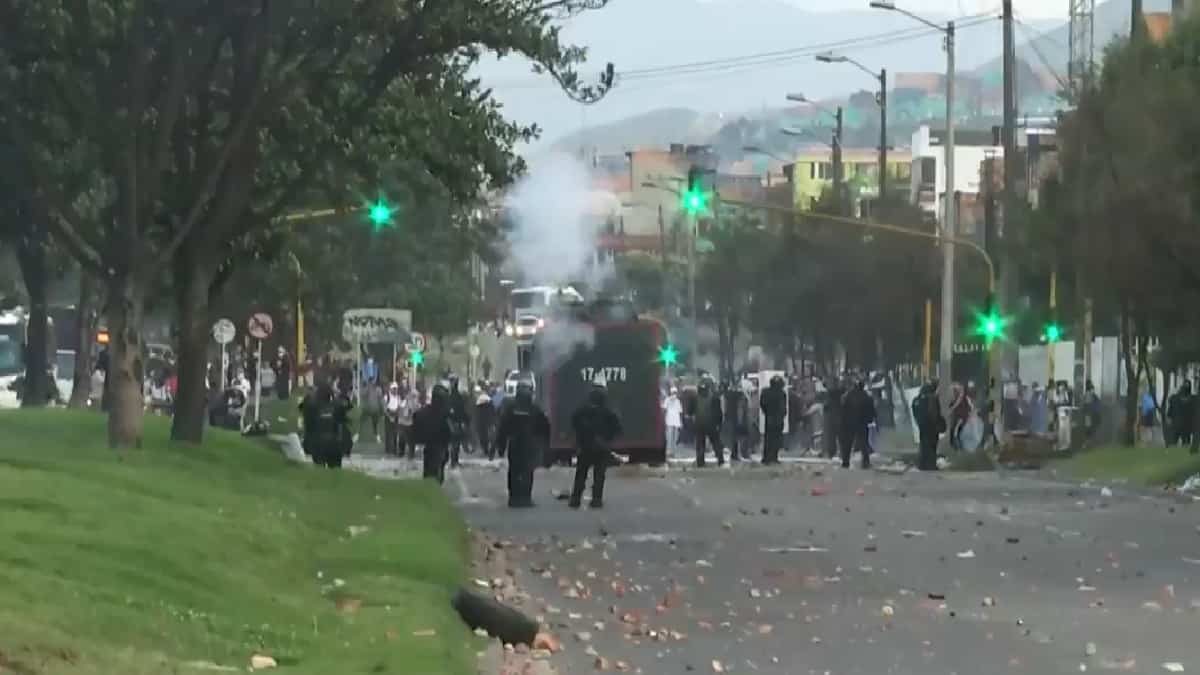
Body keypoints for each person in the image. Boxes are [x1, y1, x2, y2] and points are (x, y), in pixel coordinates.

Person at [494, 382, 550, 507]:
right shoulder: (534, 408)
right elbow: (545, 427)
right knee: (527, 471)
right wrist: (544, 443)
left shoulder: (511, 408)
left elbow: (503, 428)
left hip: (515, 445)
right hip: (528, 445)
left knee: (514, 470)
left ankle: (514, 497)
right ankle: (525, 497)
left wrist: (501, 446)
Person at [569, 381, 622, 509]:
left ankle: (576, 499)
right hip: (601, 448)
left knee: (581, 473)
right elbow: (617, 428)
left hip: (585, 446)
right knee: (599, 475)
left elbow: (574, 422)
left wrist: (580, 438)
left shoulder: (582, 410)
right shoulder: (608, 412)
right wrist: (608, 439)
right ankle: (596, 500)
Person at [300, 381, 350, 468]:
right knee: (335, 471)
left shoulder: (312, 407)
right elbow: (344, 425)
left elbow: (308, 426)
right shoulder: (336, 406)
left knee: (319, 470)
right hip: (334, 445)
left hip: (318, 445)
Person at [413, 383, 452, 483]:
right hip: (435, 446)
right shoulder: (443, 413)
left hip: (436, 446)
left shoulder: (442, 413)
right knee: (433, 470)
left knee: (432, 470)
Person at [689, 378, 724, 467]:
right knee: (716, 442)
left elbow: (690, 411)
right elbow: (718, 413)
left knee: (700, 443)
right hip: (711, 424)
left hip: (699, 424)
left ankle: (700, 461)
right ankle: (720, 460)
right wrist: (719, 424)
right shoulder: (714, 398)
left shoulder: (695, 398)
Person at [841, 380, 876, 469]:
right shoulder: (866, 396)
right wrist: (870, 419)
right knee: (863, 443)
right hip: (862, 423)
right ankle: (865, 462)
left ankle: (845, 462)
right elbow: (871, 409)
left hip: (850, 423)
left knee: (848, 443)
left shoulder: (849, 395)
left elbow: (844, 408)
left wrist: (844, 421)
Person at [912, 381, 946, 471]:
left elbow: (915, 413)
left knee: (923, 445)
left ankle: (922, 464)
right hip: (931, 427)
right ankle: (931, 465)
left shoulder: (916, 399)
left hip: (922, 426)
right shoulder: (932, 399)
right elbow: (934, 414)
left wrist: (919, 422)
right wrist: (938, 424)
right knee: (932, 446)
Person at [760, 375, 787, 465]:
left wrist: (767, 412)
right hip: (778, 418)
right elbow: (783, 407)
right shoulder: (782, 393)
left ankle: (766, 458)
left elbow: (762, 404)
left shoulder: (765, 392)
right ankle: (774, 457)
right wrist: (782, 415)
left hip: (769, 418)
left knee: (768, 439)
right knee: (776, 439)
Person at [722, 382, 751, 462]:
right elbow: (740, 408)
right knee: (741, 437)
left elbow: (725, 407)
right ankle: (742, 454)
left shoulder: (728, 395)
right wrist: (740, 420)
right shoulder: (741, 396)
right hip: (739, 419)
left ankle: (734, 454)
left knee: (733, 437)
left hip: (730, 418)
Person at [446, 375, 470, 467]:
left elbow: (461, 410)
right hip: (453, 422)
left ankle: (454, 460)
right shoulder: (452, 396)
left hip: (456, 421)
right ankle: (453, 461)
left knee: (456, 442)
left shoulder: (454, 396)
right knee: (455, 442)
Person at [822, 377, 845, 459]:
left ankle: (831, 453)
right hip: (839, 416)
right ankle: (841, 453)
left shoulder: (831, 394)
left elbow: (826, 406)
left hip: (832, 417)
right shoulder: (839, 392)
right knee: (840, 437)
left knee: (831, 436)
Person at [1168, 381, 1194, 447]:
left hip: (1184, 424)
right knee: (1176, 441)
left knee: (1181, 441)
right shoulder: (1175, 398)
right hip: (1180, 424)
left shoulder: (1189, 399)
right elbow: (1170, 411)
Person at [360, 377, 384, 444]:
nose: (372, 383)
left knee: (375, 424)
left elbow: (381, 399)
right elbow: (362, 395)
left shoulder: (378, 389)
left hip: (375, 409)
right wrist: (365, 387)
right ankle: (357, 435)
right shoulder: (368, 388)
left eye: (373, 382)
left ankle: (377, 436)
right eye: (370, 382)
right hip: (368, 408)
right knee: (361, 421)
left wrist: (382, 409)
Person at [475, 386, 497, 460]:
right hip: (488, 421)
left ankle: (486, 450)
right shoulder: (489, 402)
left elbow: (477, 414)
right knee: (490, 437)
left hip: (482, 422)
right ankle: (489, 451)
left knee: (483, 437)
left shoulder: (479, 404)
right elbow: (493, 412)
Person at [383, 382, 404, 455]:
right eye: (393, 389)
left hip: (396, 416)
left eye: (396, 389)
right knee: (388, 433)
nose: (395, 390)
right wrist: (389, 417)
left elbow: (400, 407)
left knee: (395, 433)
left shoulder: (398, 397)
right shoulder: (387, 397)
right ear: (391, 389)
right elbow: (385, 408)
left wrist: (397, 415)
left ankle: (394, 449)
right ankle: (388, 449)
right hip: (388, 416)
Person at [663, 387, 683, 459]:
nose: (674, 394)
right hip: (669, 421)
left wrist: (680, 422)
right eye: (673, 393)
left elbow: (680, 412)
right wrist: (664, 420)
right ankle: (668, 451)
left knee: (675, 437)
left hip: (676, 421)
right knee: (669, 437)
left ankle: (673, 451)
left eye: (675, 393)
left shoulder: (678, 401)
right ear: (670, 393)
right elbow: (664, 410)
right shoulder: (667, 400)